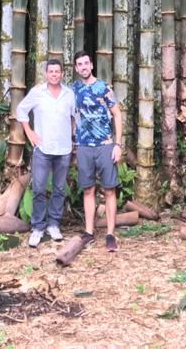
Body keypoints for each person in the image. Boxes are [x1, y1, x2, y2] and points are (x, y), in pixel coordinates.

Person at [15, 59, 75, 247]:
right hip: (42, 148)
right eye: (51, 72)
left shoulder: (69, 94)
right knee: (39, 188)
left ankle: (54, 224)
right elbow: (21, 110)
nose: (55, 74)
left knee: (58, 189)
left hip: (64, 148)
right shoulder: (37, 92)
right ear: (46, 74)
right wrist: (29, 132)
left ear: (62, 74)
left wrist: (72, 137)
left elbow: (74, 117)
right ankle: (38, 227)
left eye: (58, 71)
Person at [72, 50, 123, 252]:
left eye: (86, 63)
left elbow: (117, 115)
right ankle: (89, 231)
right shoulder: (73, 89)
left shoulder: (103, 88)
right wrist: (72, 143)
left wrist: (117, 145)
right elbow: (71, 116)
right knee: (88, 189)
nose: (84, 67)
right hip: (84, 146)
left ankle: (110, 234)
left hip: (105, 144)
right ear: (76, 68)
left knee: (109, 189)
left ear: (91, 65)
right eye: (80, 64)